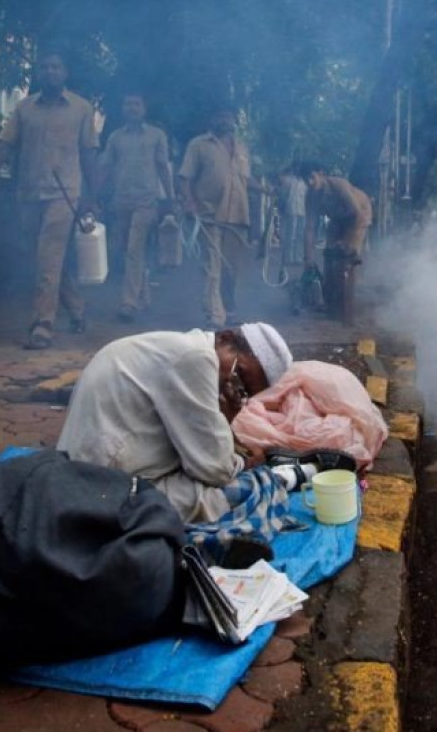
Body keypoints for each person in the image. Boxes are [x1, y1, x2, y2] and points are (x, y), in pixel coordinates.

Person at [56, 322, 309, 523]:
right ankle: (285, 477)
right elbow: (215, 471)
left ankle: (287, 474)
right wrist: (245, 463)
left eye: (244, 390)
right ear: (225, 338)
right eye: (238, 374)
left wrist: (228, 418)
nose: (233, 386)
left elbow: (202, 443)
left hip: (89, 474)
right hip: (108, 491)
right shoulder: (197, 359)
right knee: (247, 489)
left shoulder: (182, 348)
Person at [0, 52, 100, 350]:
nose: (50, 72)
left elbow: (89, 154)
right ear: (38, 73)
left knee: (49, 255)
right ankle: (77, 308)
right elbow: (6, 143)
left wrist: (91, 197)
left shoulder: (82, 109)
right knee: (45, 258)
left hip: (64, 193)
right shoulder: (24, 108)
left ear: (65, 72)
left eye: (56, 66)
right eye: (45, 67)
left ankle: (42, 326)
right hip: (29, 192)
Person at [100, 93, 174, 322]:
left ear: (144, 108)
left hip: (146, 200)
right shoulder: (115, 137)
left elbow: (163, 167)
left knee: (134, 248)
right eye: (128, 104)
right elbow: (106, 167)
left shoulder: (156, 135)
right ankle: (143, 297)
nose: (132, 108)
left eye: (136, 104)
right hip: (121, 200)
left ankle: (128, 302)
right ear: (122, 108)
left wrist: (170, 199)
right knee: (126, 249)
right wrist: (95, 195)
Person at [178, 107, 252, 329]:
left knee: (231, 270)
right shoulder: (198, 145)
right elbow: (185, 178)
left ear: (234, 120)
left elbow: (246, 180)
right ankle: (214, 316)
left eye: (228, 116)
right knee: (212, 268)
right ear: (212, 119)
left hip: (238, 217)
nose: (224, 120)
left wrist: (267, 190)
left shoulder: (241, 148)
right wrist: (189, 202)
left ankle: (229, 310)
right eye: (220, 116)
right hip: (208, 215)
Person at [301, 163, 373, 320]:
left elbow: (355, 213)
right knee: (329, 255)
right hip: (337, 219)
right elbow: (310, 228)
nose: (310, 182)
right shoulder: (311, 196)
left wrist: (346, 242)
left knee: (347, 257)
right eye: (306, 179)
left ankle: (347, 307)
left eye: (312, 177)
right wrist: (308, 259)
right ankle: (331, 303)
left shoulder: (339, 185)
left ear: (321, 173)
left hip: (359, 214)